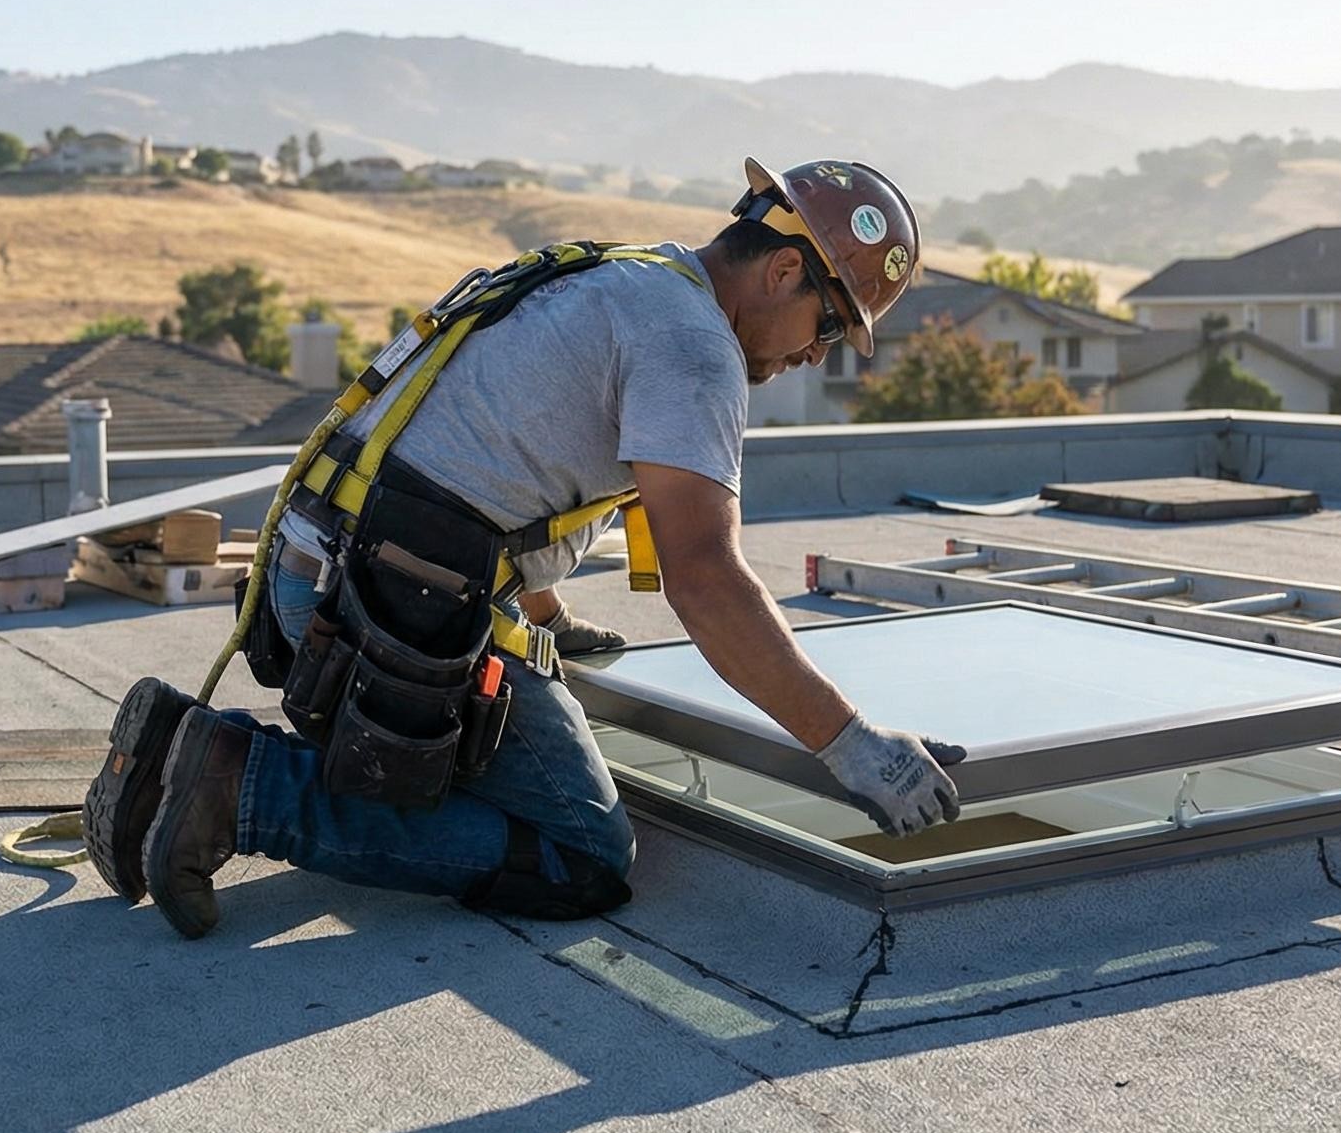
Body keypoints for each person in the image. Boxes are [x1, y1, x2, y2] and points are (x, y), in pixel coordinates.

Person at [84, 157, 961, 937]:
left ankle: (174, 750)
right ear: (782, 270)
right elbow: (706, 579)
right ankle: (240, 788)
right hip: (386, 613)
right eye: (829, 327)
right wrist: (849, 744)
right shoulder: (694, 350)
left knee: (476, 766)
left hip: (317, 573)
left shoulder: (630, 273)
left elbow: (506, 462)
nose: (817, 356)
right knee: (581, 853)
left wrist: (546, 616)